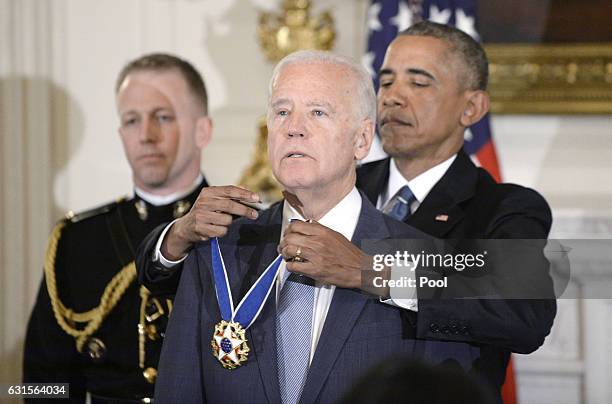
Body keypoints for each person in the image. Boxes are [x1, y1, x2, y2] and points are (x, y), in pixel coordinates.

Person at [356, 21, 556, 398]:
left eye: (418, 83)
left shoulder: (504, 209)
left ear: (471, 107)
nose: (392, 97)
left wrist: (376, 274)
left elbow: (524, 316)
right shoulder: (340, 186)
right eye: (385, 81)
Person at [23, 53, 213, 403]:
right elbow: (40, 381)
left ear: (203, 130)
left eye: (163, 117)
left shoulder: (241, 232)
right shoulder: (78, 240)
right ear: (120, 131)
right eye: (131, 120)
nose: (146, 135)